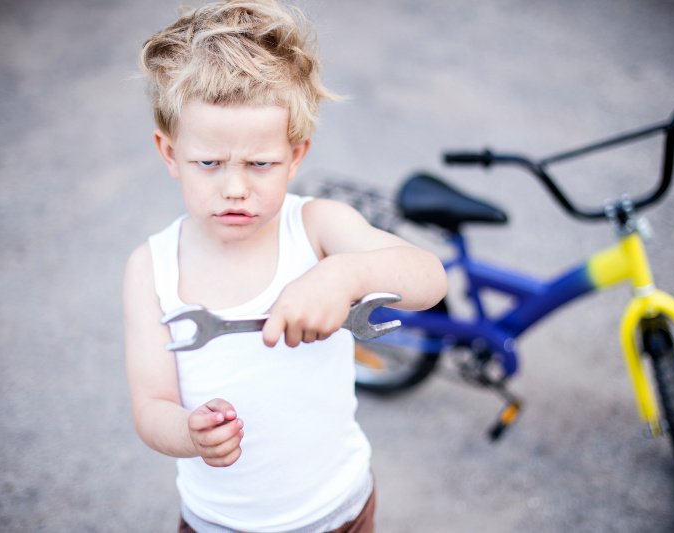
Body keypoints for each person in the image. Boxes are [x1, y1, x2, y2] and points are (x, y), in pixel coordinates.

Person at [123, 1, 447, 531]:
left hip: (341, 510)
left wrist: (344, 274)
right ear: (168, 152)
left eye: (260, 164)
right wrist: (189, 433)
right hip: (218, 523)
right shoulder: (149, 269)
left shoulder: (318, 228)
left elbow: (430, 278)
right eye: (208, 162)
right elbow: (151, 404)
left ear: (296, 155)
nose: (234, 188)